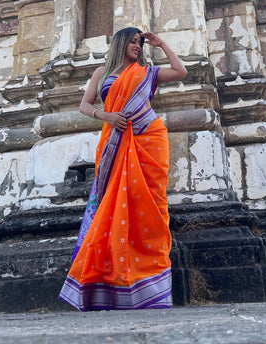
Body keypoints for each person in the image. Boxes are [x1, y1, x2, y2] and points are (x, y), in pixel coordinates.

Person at [59, 27, 187, 310]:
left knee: (150, 207)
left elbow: (180, 72)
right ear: (120, 43)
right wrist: (105, 115)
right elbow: (84, 105)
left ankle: (149, 283)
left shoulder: (146, 72)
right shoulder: (101, 73)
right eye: (133, 42)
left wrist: (160, 43)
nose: (138, 47)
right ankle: (111, 281)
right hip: (114, 142)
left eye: (140, 43)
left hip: (149, 140)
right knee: (113, 207)